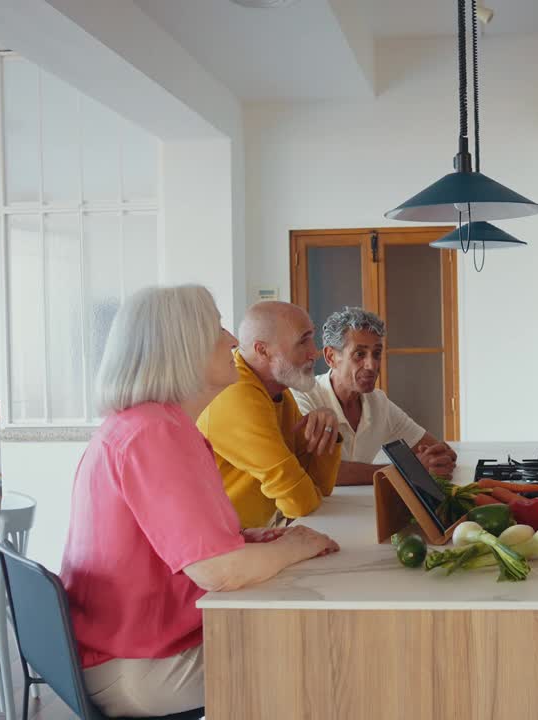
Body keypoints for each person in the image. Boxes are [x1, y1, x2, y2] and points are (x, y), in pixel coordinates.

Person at [59, 285, 339, 718]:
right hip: (145, 665)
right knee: (330, 655)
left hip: (126, 646)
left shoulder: (145, 424)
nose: (232, 340)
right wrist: (296, 544)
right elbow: (218, 571)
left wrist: (248, 539)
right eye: (217, 329)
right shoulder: (156, 434)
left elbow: (176, 547)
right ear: (181, 347)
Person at [197, 301, 342, 528]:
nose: (315, 352)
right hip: (216, 546)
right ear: (262, 351)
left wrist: (327, 425)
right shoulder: (237, 395)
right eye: (303, 341)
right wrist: (305, 490)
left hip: (249, 535)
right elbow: (299, 500)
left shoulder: (276, 392)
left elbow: (320, 487)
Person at [292, 307, 457, 485]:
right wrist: (408, 470)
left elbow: (441, 451)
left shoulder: (378, 402)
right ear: (331, 356)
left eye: (376, 354)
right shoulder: (303, 397)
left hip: (359, 507)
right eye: (359, 354)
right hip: (313, 512)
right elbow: (315, 470)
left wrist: (437, 459)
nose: (372, 365)